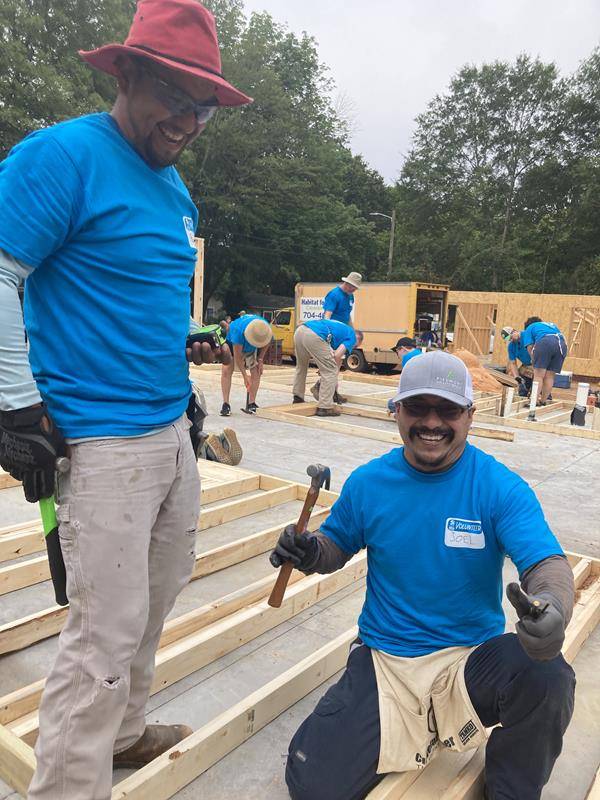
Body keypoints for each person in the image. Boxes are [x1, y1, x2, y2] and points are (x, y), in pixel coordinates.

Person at [0, 1, 252, 798]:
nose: (187, 119)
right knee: (101, 636)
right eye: (173, 95)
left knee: (152, 604)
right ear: (128, 73)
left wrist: (182, 355)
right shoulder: (63, 157)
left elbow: (130, 295)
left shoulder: (173, 192)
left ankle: (126, 733)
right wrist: (13, 404)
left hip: (168, 431)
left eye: (203, 104)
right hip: (100, 442)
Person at [273, 351, 575, 800]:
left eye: (448, 410)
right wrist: (309, 550)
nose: (431, 422)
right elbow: (335, 544)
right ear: (397, 411)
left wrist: (553, 608)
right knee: (312, 783)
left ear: (470, 416)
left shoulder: (499, 487)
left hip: (470, 662)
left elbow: (545, 564)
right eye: (417, 408)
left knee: (547, 676)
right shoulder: (369, 483)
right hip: (387, 663)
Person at [292, 320, 363, 416]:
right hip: (314, 335)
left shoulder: (342, 329)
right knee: (330, 370)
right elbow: (337, 356)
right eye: (355, 346)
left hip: (300, 331)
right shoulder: (352, 337)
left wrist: (327, 370)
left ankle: (298, 397)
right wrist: (328, 370)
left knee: (301, 366)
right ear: (358, 340)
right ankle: (325, 407)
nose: (352, 348)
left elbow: (334, 357)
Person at [320, 271, 362, 404]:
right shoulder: (334, 294)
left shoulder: (350, 296)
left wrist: (351, 330)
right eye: (353, 287)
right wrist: (328, 335)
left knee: (337, 365)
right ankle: (326, 391)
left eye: (356, 288)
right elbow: (327, 316)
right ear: (347, 283)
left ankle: (333, 392)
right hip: (333, 333)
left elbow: (347, 315)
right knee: (333, 364)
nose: (354, 290)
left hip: (342, 334)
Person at [220, 314, 273, 416]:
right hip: (233, 344)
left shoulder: (264, 329)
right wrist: (245, 376)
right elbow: (238, 357)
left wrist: (260, 359)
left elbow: (268, 341)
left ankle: (251, 403)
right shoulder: (237, 331)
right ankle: (225, 404)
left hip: (251, 347)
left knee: (257, 371)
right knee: (226, 370)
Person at [521, 320, 566, 405]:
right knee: (550, 376)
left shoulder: (529, 328)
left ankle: (533, 401)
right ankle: (543, 400)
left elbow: (530, 346)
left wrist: (534, 361)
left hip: (545, 343)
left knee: (538, 376)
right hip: (562, 345)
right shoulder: (551, 325)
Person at [386, 337, 423, 413]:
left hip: (419, 399)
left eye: (397, 352)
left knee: (391, 404)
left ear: (403, 349)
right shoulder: (420, 354)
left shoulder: (407, 358)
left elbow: (405, 386)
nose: (398, 355)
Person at [500, 326, 534, 398]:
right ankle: (523, 396)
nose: (511, 340)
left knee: (538, 384)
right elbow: (513, 362)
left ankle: (545, 397)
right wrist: (516, 376)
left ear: (514, 331)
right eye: (509, 339)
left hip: (537, 363)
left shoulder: (526, 335)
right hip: (526, 365)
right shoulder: (511, 346)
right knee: (522, 383)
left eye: (511, 337)